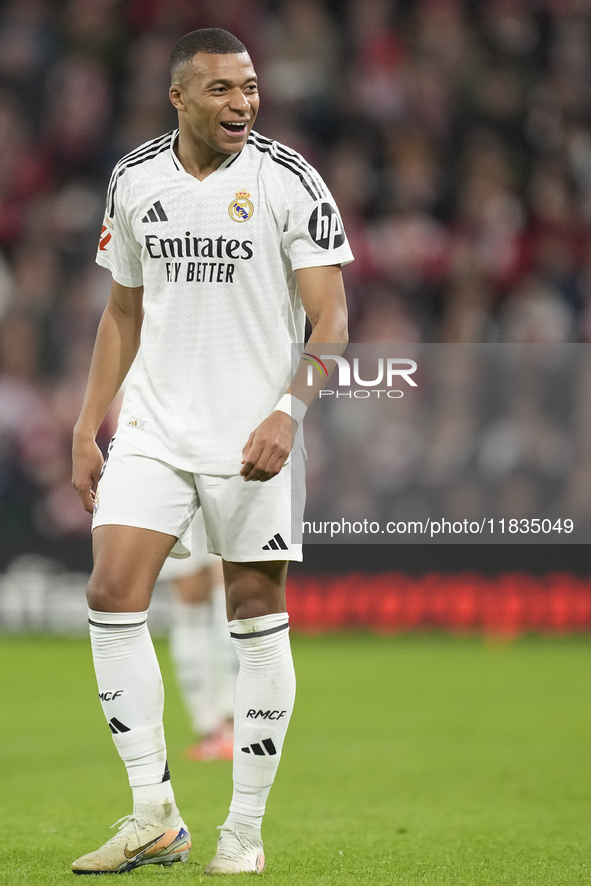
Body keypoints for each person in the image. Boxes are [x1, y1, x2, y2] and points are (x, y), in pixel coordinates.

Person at [71, 27, 351, 875]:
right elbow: (123, 311)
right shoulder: (134, 179)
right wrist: (89, 425)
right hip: (154, 429)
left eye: (251, 88)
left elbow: (331, 322)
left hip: (251, 438)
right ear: (180, 97)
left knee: (254, 618)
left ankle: (243, 831)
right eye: (224, 90)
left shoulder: (288, 180)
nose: (244, 104)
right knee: (111, 595)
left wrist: (287, 414)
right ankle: (153, 810)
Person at [159, 510, 237, 762]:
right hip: (225, 475)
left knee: (190, 607)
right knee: (225, 588)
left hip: (170, 476)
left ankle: (211, 727)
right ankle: (228, 725)